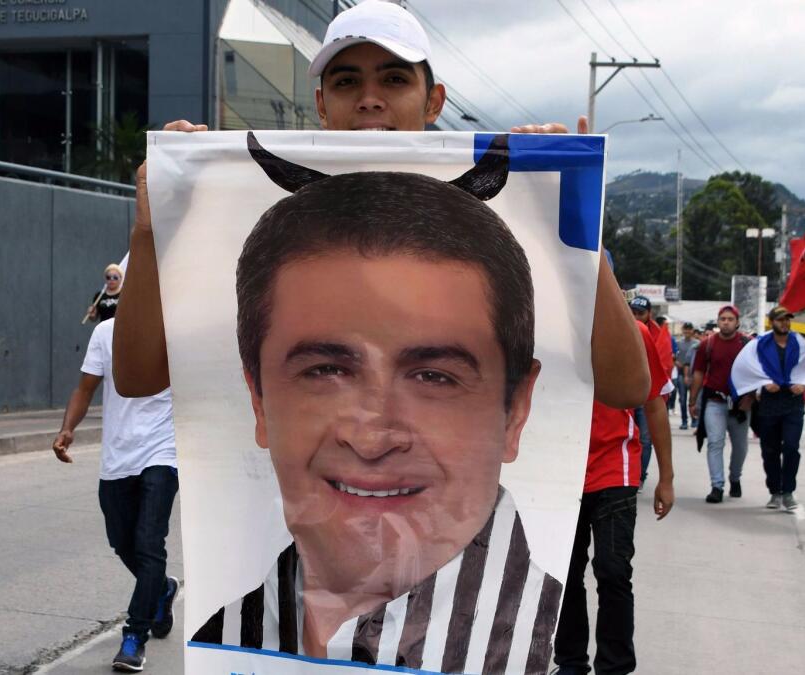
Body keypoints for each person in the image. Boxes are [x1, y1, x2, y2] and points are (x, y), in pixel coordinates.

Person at [112, 0, 649, 414]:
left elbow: (628, 386)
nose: (370, 98)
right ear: (321, 104)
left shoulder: (515, 216)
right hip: (290, 550)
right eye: (347, 81)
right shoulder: (245, 219)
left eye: (394, 78)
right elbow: (138, 379)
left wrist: (575, 220)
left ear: (433, 100)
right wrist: (149, 234)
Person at [189, 130, 566, 673]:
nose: (370, 437)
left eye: (433, 377)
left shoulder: (542, 643)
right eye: (325, 370)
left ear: (516, 411)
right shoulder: (221, 637)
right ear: (258, 400)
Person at [52, 318, 179, 672]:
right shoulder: (105, 331)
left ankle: (135, 636)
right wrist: (67, 428)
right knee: (121, 541)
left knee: (148, 542)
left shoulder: (180, 328)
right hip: (118, 455)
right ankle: (162, 589)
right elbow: (85, 387)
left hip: (163, 451)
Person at [553, 317, 675, 675]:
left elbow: (653, 403)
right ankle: (571, 662)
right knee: (565, 573)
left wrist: (665, 477)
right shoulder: (547, 325)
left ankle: (615, 666)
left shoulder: (630, 331)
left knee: (613, 569)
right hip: (560, 469)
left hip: (615, 466)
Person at [731, 306, 805, 512]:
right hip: (769, 402)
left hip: (793, 401)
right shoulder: (760, 343)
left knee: (791, 447)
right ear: (772, 322)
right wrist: (764, 382)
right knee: (770, 450)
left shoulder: (799, 343)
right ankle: (774, 492)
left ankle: (788, 492)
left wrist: (802, 384)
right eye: (780, 320)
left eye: (787, 319)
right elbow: (747, 365)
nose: (785, 323)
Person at [689, 305, 751, 503]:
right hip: (714, 402)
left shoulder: (747, 344)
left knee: (740, 447)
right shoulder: (707, 344)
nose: (726, 322)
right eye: (722, 318)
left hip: (740, 404)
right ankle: (717, 485)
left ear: (737, 322)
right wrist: (692, 400)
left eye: (730, 319)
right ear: (718, 321)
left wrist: (749, 399)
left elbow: (755, 373)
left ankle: (735, 478)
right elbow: (698, 373)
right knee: (715, 442)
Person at [629, 296, 673, 487]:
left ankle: (640, 476)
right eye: (633, 313)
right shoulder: (622, 328)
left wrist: (666, 478)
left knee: (646, 439)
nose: (636, 317)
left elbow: (663, 367)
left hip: (648, 393)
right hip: (626, 394)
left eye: (641, 313)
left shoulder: (656, 336)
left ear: (649, 314)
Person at [675, 322, 701, 430]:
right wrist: (676, 362)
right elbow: (673, 356)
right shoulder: (678, 343)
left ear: (692, 331)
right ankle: (684, 420)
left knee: (693, 398)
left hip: (694, 374)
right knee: (682, 398)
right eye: (685, 329)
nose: (687, 332)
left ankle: (694, 419)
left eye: (689, 329)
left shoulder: (698, 343)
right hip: (681, 374)